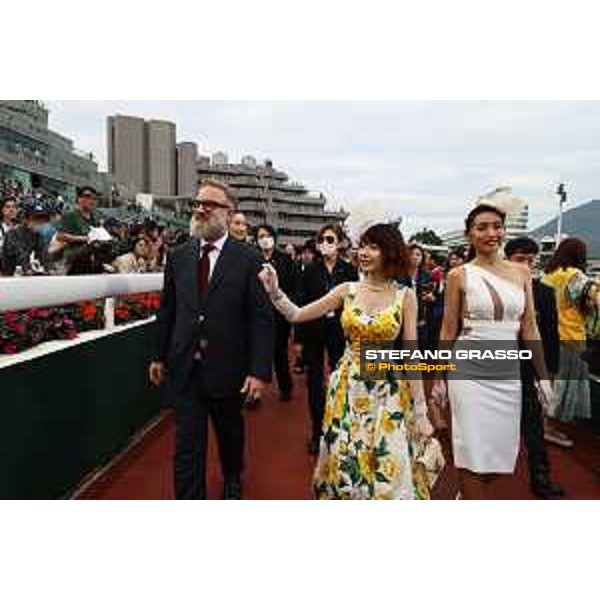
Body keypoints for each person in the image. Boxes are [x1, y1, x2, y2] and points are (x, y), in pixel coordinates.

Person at [259, 223, 434, 499]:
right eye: (362, 245)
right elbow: (296, 315)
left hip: (387, 389)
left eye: (373, 246)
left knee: (387, 462)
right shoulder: (347, 290)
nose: (364, 252)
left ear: (390, 252)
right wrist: (275, 292)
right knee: (347, 461)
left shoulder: (405, 296)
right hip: (348, 387)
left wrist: (422, 412)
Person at [149, 179, 274, 500]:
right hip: (185, 367)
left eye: (210, 204)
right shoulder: (178, 257)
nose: (200, 209)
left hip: (229, 369)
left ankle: (233, 474)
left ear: (228, 211)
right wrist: (158, 355)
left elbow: (261, 319)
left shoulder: (249, 260)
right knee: (187, 447)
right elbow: (168, 310)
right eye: (198, 204)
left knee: (229, 431)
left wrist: (259, 371)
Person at [437, 202, 554, 500]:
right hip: (468, 369)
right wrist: (438, 377)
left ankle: (465, 495)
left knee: (502, 456)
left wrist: (543, 377)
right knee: (471, 446)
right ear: (469, 235)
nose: (491, 233)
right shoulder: (458, 275)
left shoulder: (521, 273)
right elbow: (448, 329)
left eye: (497, 226)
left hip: (507, 370)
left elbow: (530, 327)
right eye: (482, 227)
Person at [505, 237, 565, 499]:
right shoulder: (493, 289)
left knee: (533, 427)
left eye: (531, 260)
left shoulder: (544, 293)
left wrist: (548, 374)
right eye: (520, 259)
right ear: (507, 259)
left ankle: (540, 477)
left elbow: (550, 336)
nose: (526, 265)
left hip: (528, 368)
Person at [296, 224, 358, 455]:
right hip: (313, 332)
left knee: (339, 380)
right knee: (314, 383)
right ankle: (316, 431)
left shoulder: (349, 270)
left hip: (340, 334)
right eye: (322, 239)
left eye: (330, 239)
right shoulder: (309, 270)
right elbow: (301, 303)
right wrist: (298, 338)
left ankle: (338, 428)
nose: (325, 243)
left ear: (340, 243)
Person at [542, 238, 597, 447]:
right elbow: (590, 302)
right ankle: (549, 426)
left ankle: (545, 422)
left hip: (548, 333)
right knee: (565, 382)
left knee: (551, 379)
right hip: (570, 335)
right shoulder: (576, 276)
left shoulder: (550, 274)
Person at [255, 224, 296, 402]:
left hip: (280, 312)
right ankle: (254, 392)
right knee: (256, 352)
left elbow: (292, 288)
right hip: (258, 313)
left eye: (267, 235)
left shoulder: (285, 259)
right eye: (260, 236)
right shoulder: (253, 259)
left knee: (280, 352)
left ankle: (285, 387)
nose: (264, 239)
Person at [55, 185, 101, 273]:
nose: (92, 200)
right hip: (74, 260)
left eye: (95, 198)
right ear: (79, 199)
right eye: (87, 196)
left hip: (91, 260)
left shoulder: (95, 219)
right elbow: (60, 236)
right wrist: (83, 238)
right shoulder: (70, 216)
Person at [400, 243, 434, 351]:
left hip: (421, 319)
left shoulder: (426, 275)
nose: (415, 257)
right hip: (402, 318)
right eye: (411, 254)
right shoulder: (399, 274)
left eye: (418, 255)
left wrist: (431, 298)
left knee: (420, 350)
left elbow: (433, 294)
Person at [1, 199, 50, 276]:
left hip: (30, 279)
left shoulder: (39, 236)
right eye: (36, 218)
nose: (39, 222)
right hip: (10, 279)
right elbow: (21, 255)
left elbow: (44, 257)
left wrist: (48, 268)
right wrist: (28, 268)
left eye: (42, 219)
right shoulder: (12, 234)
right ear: (27, 219)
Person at [0, 196, 18, 273]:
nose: (11, 210)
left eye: (14, 207)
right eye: (8, 207)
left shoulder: (21, 228)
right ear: (2, 210)